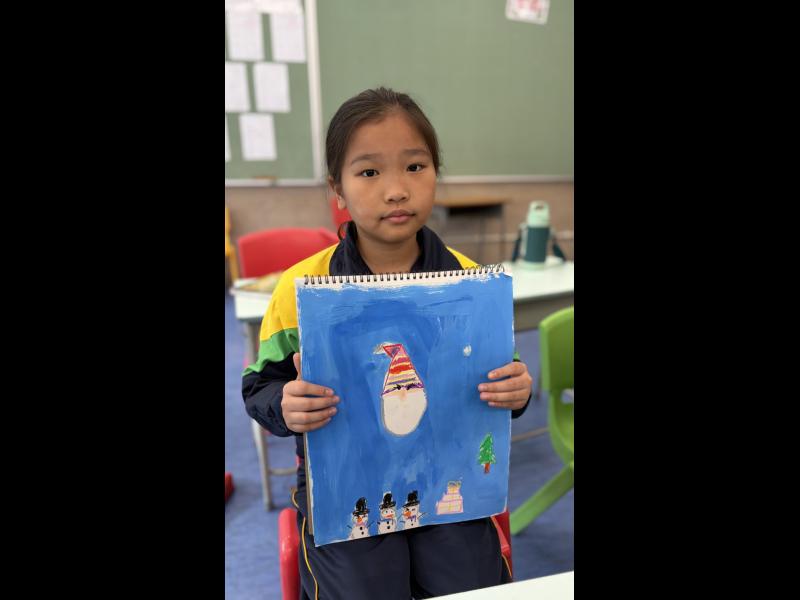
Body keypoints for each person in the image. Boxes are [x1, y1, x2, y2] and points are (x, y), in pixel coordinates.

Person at [242, 87, 533, 600]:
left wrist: (517, 391)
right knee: (365, 588)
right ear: (338, 190)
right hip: (347, 488)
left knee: (471, 584)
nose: (396, 190)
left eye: (415, 167)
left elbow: (500, 378)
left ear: (436, 173)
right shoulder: (301, 291)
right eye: (370, 172)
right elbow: (259, 385)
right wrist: (284, 403)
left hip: (448, 482)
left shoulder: (472, 283)